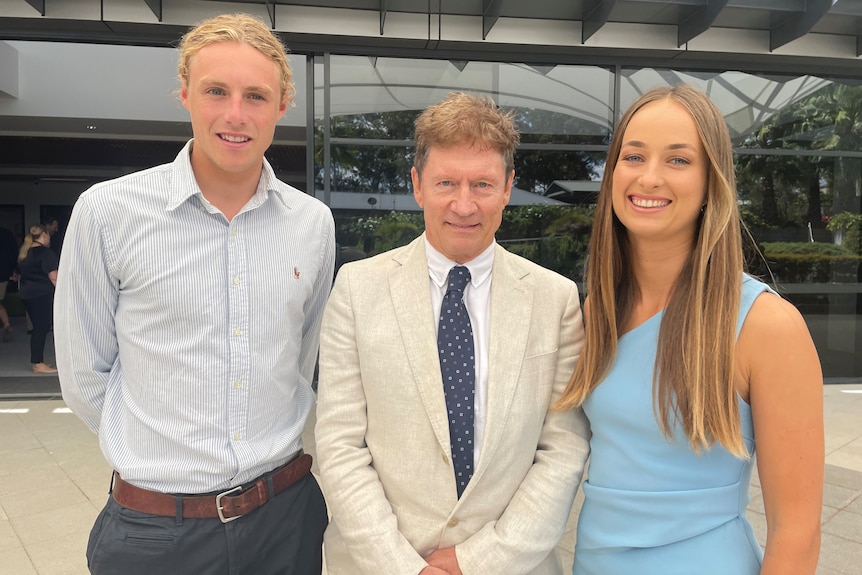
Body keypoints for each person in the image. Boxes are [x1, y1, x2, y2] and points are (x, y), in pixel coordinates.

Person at [55, 13, 334, 575]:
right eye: (216, 91)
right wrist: (158, 450)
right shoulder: (107, 211)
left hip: (284, 518)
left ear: (282, 107)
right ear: (185, 94)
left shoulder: (312, 223)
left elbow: (300, 357)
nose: (236, 114)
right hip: (156, 531)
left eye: (256, 95)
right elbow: (85, 375)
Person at [315, 92, 591, 575]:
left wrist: (475, 563)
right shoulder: (357, 289)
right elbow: (339, 445)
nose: (464, 205)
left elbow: (563, 449)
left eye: (482, 184)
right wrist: (408, 568)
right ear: (418, 186)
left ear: (508, 187)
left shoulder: (556, 300)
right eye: (447, 182)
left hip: (510, 565)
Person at [556, 84, 824, 575]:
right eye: (634, 156)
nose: (650, 177)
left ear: (710, 183)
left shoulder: (768, 327)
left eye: (678, 160)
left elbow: (798, 534)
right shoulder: (600, 308)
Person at [17, 224, 58, 372]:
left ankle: (38, 361)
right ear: (45, 235)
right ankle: (38, 363)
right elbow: (54, 277)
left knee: (38, 327)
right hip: (42, 294)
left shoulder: (24, 252)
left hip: (27, 293)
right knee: (42, 327)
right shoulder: (46, 254)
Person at [0, 225, 17, 342]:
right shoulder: (6, 233)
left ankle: (6, 324)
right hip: (3, 272)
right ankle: (6, 324)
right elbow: (14, 252)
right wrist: (13, 270)